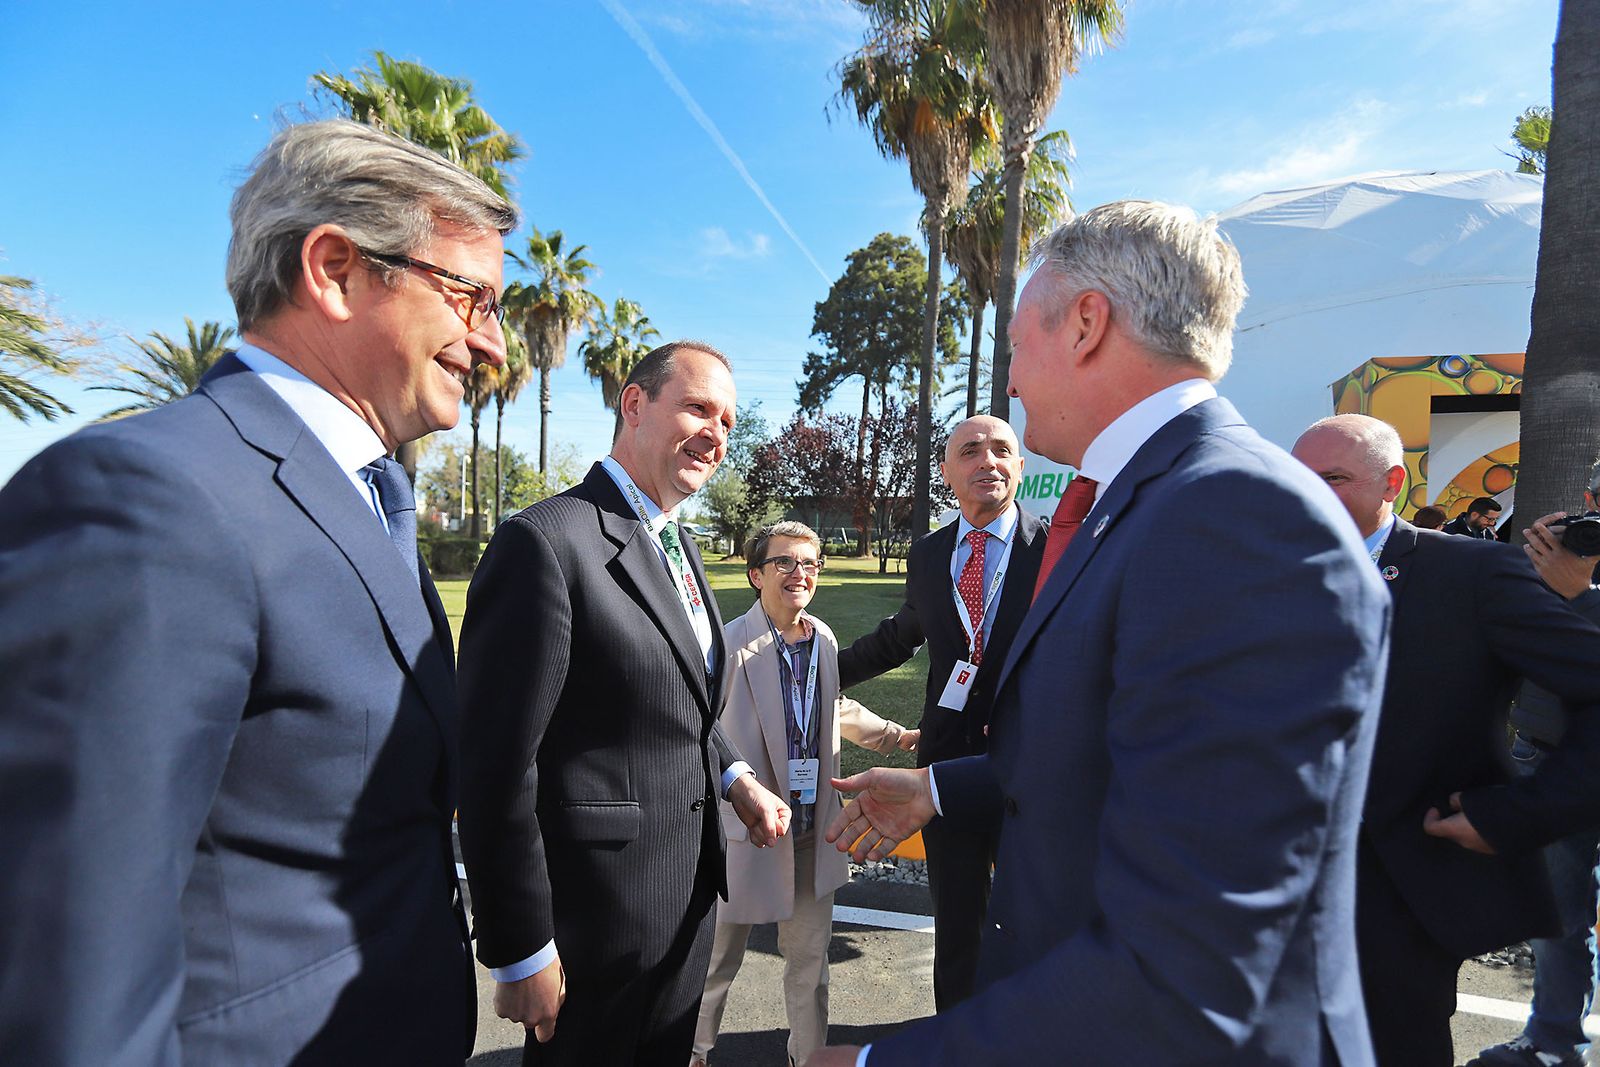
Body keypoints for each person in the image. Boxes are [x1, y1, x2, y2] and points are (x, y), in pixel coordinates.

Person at [808, 200, 1391, 1067]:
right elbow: (1102, 752)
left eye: (1013, 344)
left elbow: (1190, 964)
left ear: (1086, 323)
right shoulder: (1145, 503)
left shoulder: (1234, 517)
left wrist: (874, 1064)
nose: (1009, 380)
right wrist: (942, 790)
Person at [0, 119, 512, 1063]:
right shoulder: (151, 500)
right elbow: (70, 983)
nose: (491, 343)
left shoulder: (373, 500)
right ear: (336, 268)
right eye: (471, 296)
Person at [457, 340, 792, 1066]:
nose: (718, 433)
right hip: (596, 929)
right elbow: (494, 765)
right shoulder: (545, 544)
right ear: (635, 405)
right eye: (699, 407)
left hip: (685, 906)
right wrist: (519, 949)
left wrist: (735, 779)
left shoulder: (681, 544)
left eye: (729, 421)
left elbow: (678, 703)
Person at [1290, 414, 1600, 1067]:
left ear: (1392, 483)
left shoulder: (1473, 574)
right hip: (1267, 882)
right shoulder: (1263, 574)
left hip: (1398, 896)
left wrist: (1519, 813)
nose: (1311, 493)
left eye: (1335, 478)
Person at [834, 413, 1045, 1010]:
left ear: (1020, 469)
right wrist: (822, 670)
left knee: (1036, 918)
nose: (988, 461)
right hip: (944, 767)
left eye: (1002, 450)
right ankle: (958, 1038)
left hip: (1029, 762)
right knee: (958, 923)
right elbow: (901, 636)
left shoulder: (1057, 547)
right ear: (948, 471)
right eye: (971, 451)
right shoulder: (929, 555)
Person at [692, 521, 918, 1067]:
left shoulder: (822, 637)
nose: (800, 573)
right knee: (715, 964)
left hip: (814, 831)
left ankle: (809, 1059)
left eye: (810, 563)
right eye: (785, 562)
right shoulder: (727, 645)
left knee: (810, 968)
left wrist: (897, 737)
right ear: (755, 574)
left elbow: (832, 706)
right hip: (747, 833)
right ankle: (692, 1053)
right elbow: (700, 728)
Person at [1470, 473, 1600, 1067]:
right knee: (1557, 913)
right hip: (1550, 753)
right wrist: (1530, 576)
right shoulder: (1565, 553)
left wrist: (1583, 594)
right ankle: (1551, 1039)